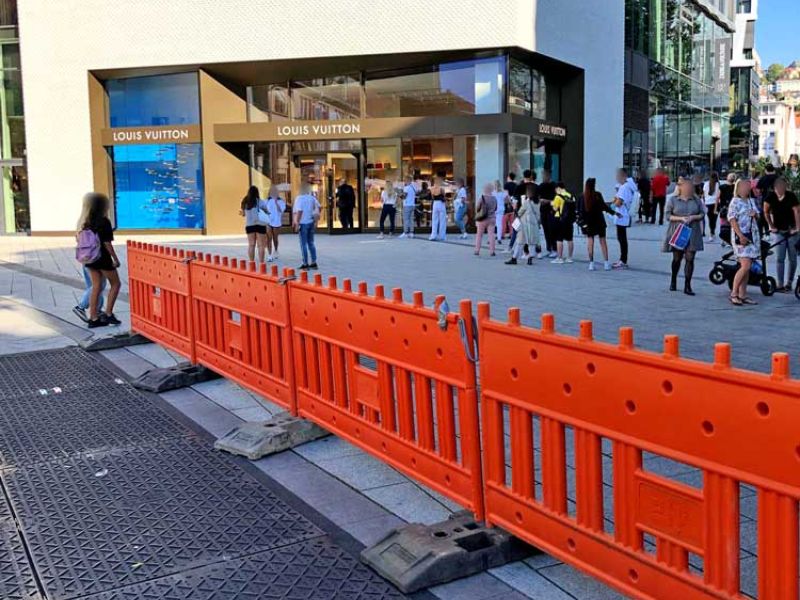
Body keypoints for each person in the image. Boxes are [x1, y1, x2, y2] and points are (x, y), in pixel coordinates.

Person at [78, 193, 121, 328]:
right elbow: (107, 243)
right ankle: (108, 314)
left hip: (89, 258)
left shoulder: (85, 222)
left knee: (96, 286)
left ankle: (93, 317)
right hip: (102, 257)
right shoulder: (104, 221)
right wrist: (115, 258)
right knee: (116, 284)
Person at [663, 178, 705, 295]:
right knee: (677, 258)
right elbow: (667, 216)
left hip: (693, 231)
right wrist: (680, 218)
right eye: (686, 186)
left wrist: (693, 217)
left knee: (690, 258)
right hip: (678, 231)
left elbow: (702, 213)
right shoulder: (673, 199)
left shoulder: (696, 200)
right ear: (680, 187)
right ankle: (673, 279)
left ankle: (688, 285)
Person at [764, 176, 800, 292]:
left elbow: (797, 211)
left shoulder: (791, 196)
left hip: (791, 230)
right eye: (778, 187)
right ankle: (780, 283)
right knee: (780, 258)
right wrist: (771, 225)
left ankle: (789, 282)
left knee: (793, 258)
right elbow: (766, 211)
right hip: (779, 230)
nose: (780, 190)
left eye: (782, 187)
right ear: (774, 188)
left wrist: (797, 227)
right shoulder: (771, 197)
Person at [728, 178, 761, 305]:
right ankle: (734, 293)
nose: (746, 189)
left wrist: (755, 215)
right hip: (740, 237)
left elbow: (758, 216)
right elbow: (732, 219)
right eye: (744, 186)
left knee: (747, 268)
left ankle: (743, 294)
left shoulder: (751, 201)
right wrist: (740, 235)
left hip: (752, 236)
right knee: (745, 265)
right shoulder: (735, 202)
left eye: (748, 187)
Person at [72, 194, 104, 323]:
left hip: (85, 257)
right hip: (95, 257)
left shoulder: (81, 221)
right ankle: (81, 306)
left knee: (93, 285)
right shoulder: (94, 221)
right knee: (99, 285)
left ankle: (97, 310)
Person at [580, 178, 614, 271]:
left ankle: (591, 263)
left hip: (589, 222)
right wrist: (613, 213)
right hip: (600, 221)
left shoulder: (583, 196)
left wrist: (582, 223)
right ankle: (606, 263)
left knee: (590, 241)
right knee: (603, 241)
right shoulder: (597, 195)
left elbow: (581, 211)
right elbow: (604, 206)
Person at [504, 191, 540, 265]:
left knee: (520, 242)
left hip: (524, 225)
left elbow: (520, 213)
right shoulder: (538, 203)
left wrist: (515, 209)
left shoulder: (527, 203)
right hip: (533, 225)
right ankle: (530, 258)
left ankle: (514, 258)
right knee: (531, 242)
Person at [612, 168, 636, 269]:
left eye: (618, 176)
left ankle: (623, 260)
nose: (617, 178)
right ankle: (623, 259)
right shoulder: (628, 186)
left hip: (621, 215)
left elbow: (619, 202)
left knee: (621, 238)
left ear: (623, 176)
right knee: (622, 238)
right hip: (624, 215)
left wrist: (613, 203)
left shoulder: (624, 187)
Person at [293, 182, 320, 270]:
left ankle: (305, 263)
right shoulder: (312, 198)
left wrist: (297, 222)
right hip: (310, 222)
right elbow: (319, 207)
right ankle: (314, 262)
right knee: (311, 242)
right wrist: (315, 218)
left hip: (303, 223)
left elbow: (299, 211)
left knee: (303, 244)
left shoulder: (299, 198)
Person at [240, 185, 269, 264]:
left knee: (251, 244)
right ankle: (261, 263)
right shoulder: (260, 201)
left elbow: (243, 214)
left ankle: (251, 262)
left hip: (250, 225)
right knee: (261, 245)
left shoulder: (245, 202)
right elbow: (267, 212)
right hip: (260, 225)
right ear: (257, 193)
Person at [550, 184, 577, 264]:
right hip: (569, 220)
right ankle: (570, 257)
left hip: (560, 219)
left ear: (558, 188)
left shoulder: (558, 197)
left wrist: (552, 204)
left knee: (559, 239)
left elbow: (555, 208)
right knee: (570, 239)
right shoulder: (571, 196)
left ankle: (559, 258)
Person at [473, 182, 497, 257]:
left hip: (482, 218)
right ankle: (492, 251)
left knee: (479, 235)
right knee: (491, 235)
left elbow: (477, 207)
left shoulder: (482, 198)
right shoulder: (494, 198)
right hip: (492, 218)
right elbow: (496, 208)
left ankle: (477, 250)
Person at [538, 169, 558, 257]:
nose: (543, 177)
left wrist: (547, 201)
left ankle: (555, 249)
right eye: (542, 175)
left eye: (544, 175)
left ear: (549, 176)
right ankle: (548, 248)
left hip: (551, 211)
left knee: (552, 230)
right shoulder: (541, 186)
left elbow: (557, 199)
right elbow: (537, 197)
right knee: (546, 230)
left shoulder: (554, 186)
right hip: (543, 211)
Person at [264, 188, 286, 261]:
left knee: (275, 238)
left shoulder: (281, 201)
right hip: (268, 221)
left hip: (276, 222)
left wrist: (276, 202)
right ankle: (270, 255)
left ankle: (276, 250)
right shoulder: (267, 201)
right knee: (268, 238)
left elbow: (281, 210)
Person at [718, 172, 736, 247]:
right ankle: (731, 239)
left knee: (723, 224)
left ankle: (724, 240)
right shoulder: (735, 187)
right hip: (733, 207)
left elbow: (718, 197)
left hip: (724, 207)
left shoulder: (722, 187)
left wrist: (717, 207)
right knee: (732, 224)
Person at [702, 172, 720, 242]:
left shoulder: (706, 184)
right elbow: (718, 196)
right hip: (715, 203)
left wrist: (704, 202)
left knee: (710, 219)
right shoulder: (717, 184)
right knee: (714, 219)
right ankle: (713, 232)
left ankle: (711, 233)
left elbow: (703, 195)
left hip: (708, 203)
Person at [429, 177, 447, 241]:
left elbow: (432, 197)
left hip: (435, 204)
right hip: (441, 203)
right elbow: (444, 197)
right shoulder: (441, 188)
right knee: (442, 220)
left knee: (434, 220)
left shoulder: (431, 188)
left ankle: (433, 235)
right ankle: (442, 236)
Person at [493, 179, 507, 244]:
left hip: (494, 209)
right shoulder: (503, 193)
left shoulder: (493, 193)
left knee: (492, 224)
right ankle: (499, 238)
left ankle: (491, 238)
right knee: (499, 224)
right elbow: (507, 200)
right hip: (501, 209)